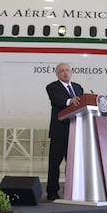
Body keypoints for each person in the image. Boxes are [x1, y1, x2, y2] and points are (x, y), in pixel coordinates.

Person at [45, 63, 84, 200]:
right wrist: (70, 101)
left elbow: (82, 104)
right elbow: (57, 101)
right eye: (62, 71)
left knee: (73, 163)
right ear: (57, 74)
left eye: (67, 70)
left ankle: (72, 189)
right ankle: (52, 191)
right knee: (55, 163)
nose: (65, 73)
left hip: (75, 131)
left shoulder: (78, 87)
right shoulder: (52, 87)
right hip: (59, 131)